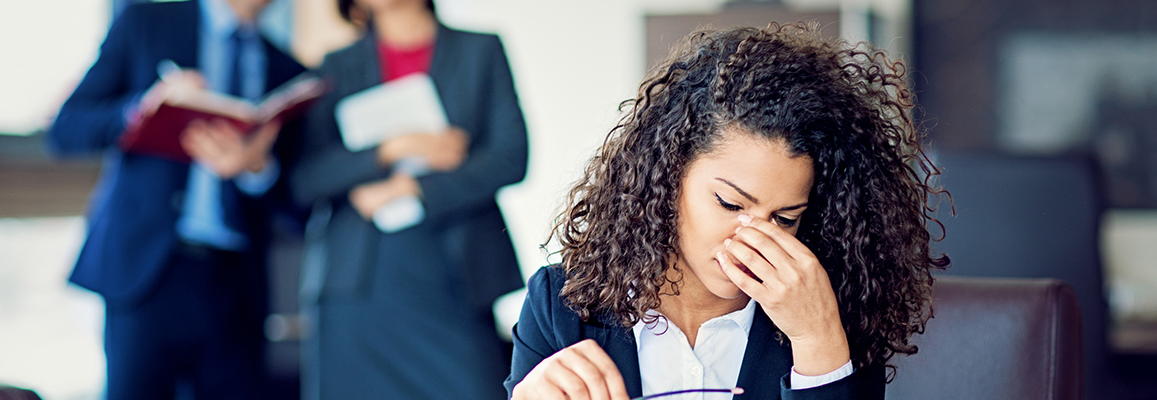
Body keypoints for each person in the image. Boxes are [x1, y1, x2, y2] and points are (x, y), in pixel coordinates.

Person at [505, 22, 950, 400]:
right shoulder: (563, 303)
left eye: (784, 218)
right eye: (730, 203)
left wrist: (817, 343)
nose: (752, 239)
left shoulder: (832, 309)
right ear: (667, 178)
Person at [46, 0, 307, 398]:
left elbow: (299, 205)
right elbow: (67, 129)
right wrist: (141, 109)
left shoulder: (287, 70)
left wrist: (257, 168)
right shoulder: (147, 22)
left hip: (235, 283)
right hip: (147, 273)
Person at [290, 0, 528, 399]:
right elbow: (306, 178)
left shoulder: (480, 50)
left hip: (455, 272)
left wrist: (413, 188)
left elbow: (511, 157)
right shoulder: (335, 66)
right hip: (361, 282)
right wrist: (390, 150)